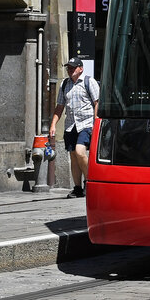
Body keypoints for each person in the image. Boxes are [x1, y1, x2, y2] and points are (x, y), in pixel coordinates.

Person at [49, 57, 100, 198]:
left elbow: (97, 102)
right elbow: (60, 106)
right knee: (73, 156)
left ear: (81, 69)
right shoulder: (65, 84)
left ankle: (89, 182)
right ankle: (77, 188)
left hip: (86, 124)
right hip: (70, 125)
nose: (70, 70)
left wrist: (96, 121)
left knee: (80, 152)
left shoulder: (89, 82)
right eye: (68, 68)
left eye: (73, 67)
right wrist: (53, 124)